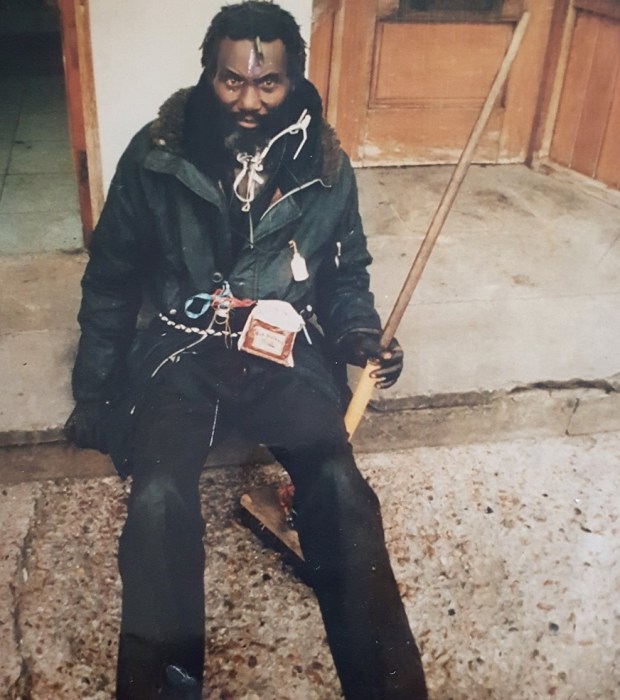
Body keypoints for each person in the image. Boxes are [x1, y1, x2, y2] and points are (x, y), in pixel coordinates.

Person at [65, 2, 428, 698]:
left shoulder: (324, 165)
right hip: (182, 349)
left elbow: (344, 275)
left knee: (341, 490)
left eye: (269, 82)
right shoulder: (157, 156)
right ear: (209, 75)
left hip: (280, 348)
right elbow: (111, 278)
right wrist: (94, 391)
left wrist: (358, 334)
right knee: (158, 503)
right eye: (233, 80)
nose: (250, 100)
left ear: (294, 80)